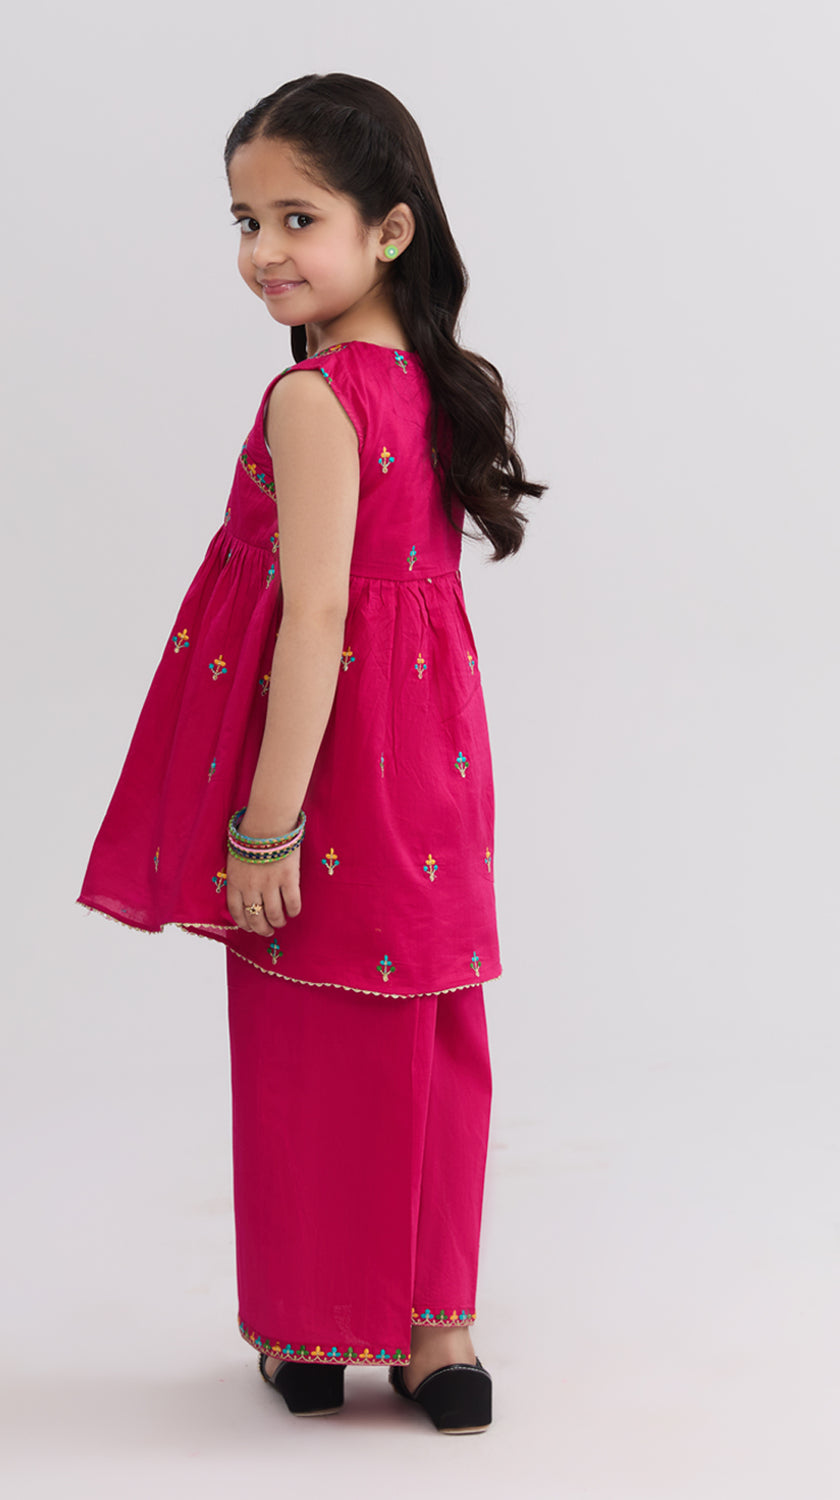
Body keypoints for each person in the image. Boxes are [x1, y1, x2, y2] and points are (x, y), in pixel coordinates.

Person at [77, 72, 546, 1435]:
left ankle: (316, 1332)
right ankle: (438, 1338)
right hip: (433, 755)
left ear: (389, 231)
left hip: (331, 764)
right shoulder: (441, 383)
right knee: (432, 1021)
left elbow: (320, 615)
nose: (264, 252)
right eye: (245, 221)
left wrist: (266, 824)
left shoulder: (316, 396)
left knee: (309, 1036)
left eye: (298, 218)